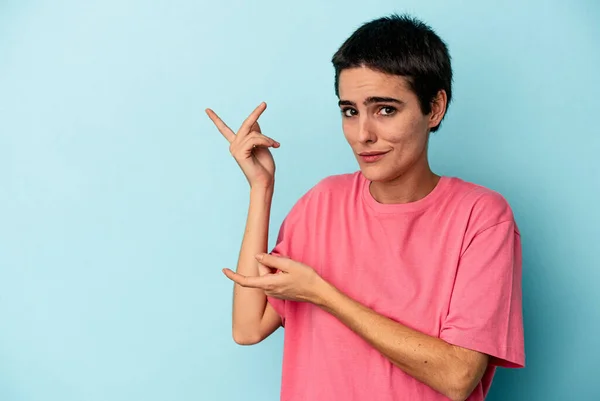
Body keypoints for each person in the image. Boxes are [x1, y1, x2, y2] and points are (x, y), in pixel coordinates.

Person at [205, 13, 524, 401]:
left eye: (385, 109)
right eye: (350, 111)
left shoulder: (481, 217)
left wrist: (323, 294)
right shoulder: (320, 204)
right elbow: (248, 327)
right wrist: (261, 189)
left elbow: (457, 376)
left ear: (435, 108)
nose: (363, 135)